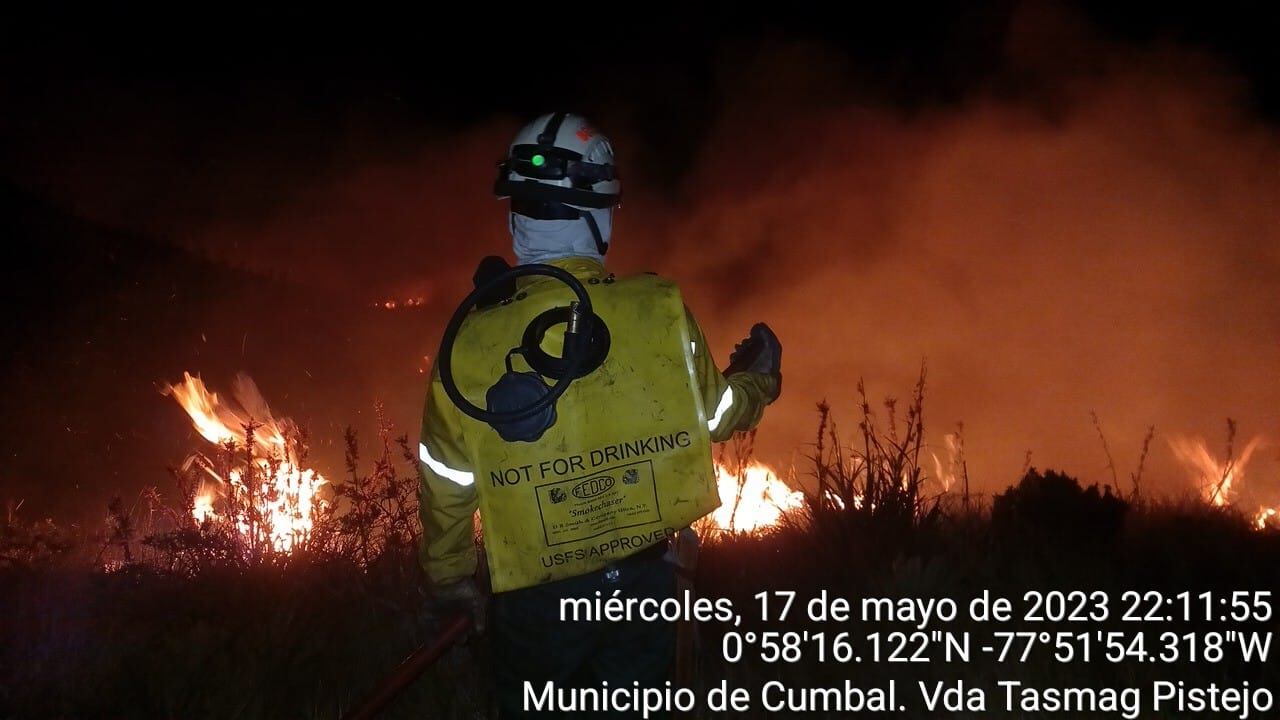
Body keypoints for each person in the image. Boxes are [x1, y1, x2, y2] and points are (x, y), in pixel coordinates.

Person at [417, 112, 781, 717]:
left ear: (513, 218)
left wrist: (450, 579)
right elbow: (717, 414)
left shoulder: (470, 340)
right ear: (602, 216)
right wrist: (759, 382)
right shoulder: (658, 308)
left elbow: (448, 481)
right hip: (645, 590)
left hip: (533, 604)